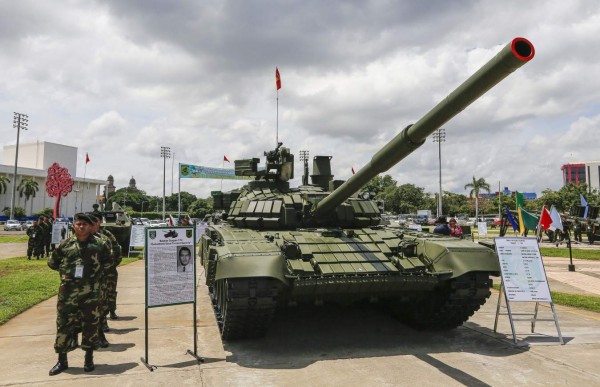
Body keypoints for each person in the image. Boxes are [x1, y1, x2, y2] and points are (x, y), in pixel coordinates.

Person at [47, 213, 113, 376]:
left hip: (90, 293)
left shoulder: (100, 244)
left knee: (90, 324)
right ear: (73, 226)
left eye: (85, 224)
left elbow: (109, 262)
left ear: (91, 227)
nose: (81, 226)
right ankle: (62, 361)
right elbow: (52, 262)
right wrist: (67, 273)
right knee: (64, 324)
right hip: (68, 293)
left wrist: (94, 276)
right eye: (78, 224)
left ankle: (88, 360)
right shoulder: (66, 244)